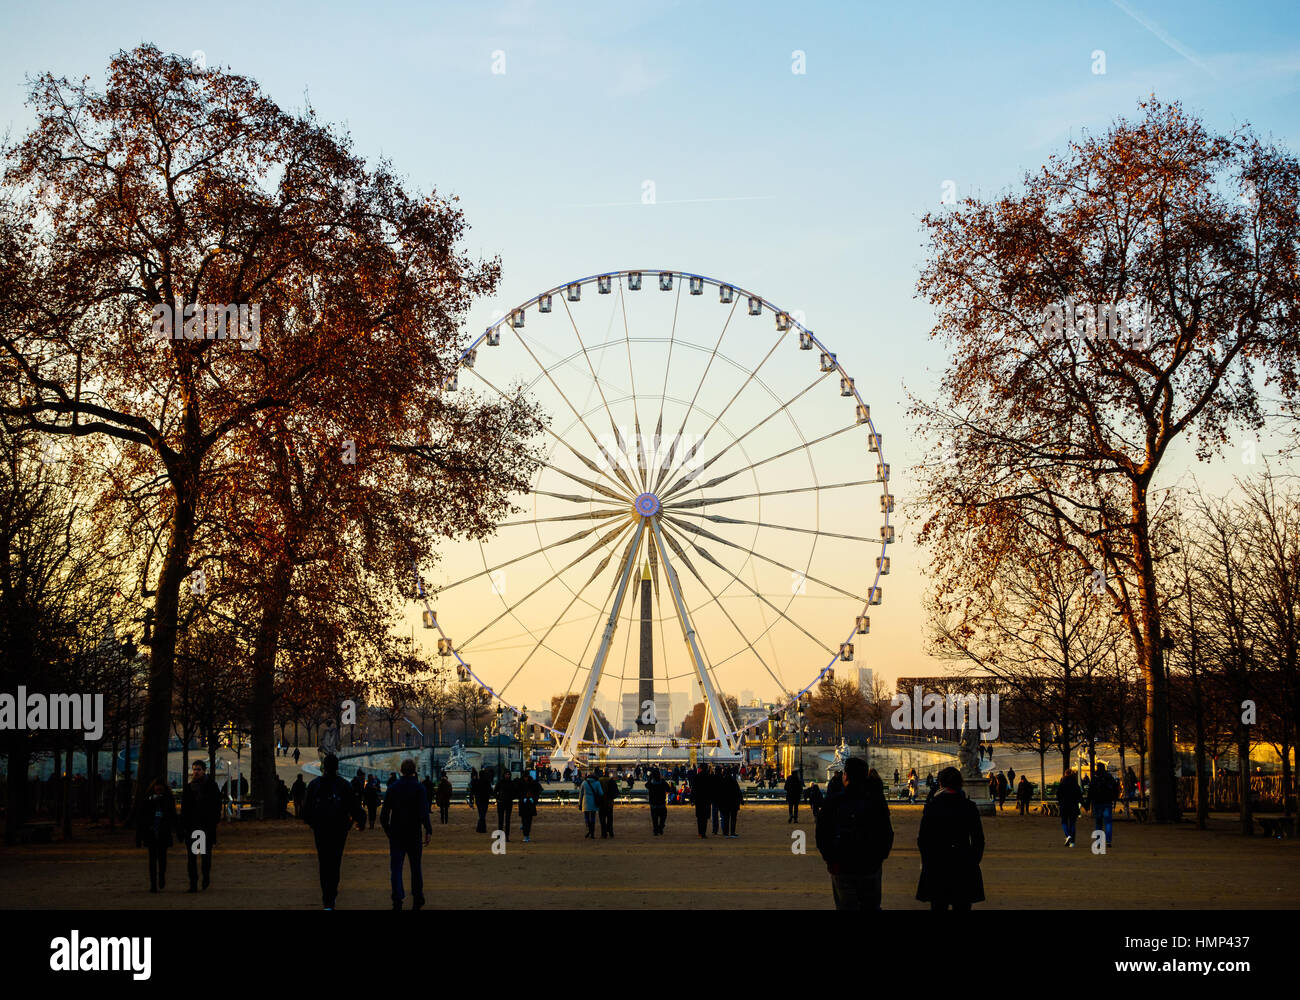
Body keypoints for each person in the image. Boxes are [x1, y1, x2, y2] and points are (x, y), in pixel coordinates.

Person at [815, 758, 893, 909]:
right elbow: (887, 834)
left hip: (841, 865)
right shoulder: (875, 802)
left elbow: (822, 835)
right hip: (870, 864)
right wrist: (879, 859)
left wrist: (830, 859)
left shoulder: (833, 802)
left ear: (845, 776)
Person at [916, 766, 985, 910]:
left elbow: (923, 839)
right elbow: (978, 840)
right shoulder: (969, 806)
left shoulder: (932, 806)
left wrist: (928, 860)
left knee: (938, 905)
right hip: (963, 864)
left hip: (937, 865)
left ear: (941, 784)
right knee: (962, 905)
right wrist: (973, 860)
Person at [303, 752, 366, 910]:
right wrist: (360, 821)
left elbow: (306, 811)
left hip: (321, 828)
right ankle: (331, 895)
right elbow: (354, 806)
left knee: (323, 862)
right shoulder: (344, 785)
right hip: (339, 828)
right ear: (337, 767)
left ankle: (327, 897)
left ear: (324, 767)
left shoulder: (315, 785)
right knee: (335, 862)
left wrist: (313, 823)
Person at [381, 758, 432, 910]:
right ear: (414, 771)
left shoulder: (393, 788)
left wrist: (389, 831)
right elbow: (424, 813)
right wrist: (428, 830)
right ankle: (417, 896)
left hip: (397, 832)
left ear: (401, 771)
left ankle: (397, 897)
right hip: (413, 832)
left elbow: (384, 815)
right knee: (416, 867)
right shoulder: (419, 788)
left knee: (396, 868)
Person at [179, 760, 222, 893]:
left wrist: (213, 821)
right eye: (194, 769)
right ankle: (193, 883)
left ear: (204, 770)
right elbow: (184, 808)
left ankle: (205, 877)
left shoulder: (211, 786)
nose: (196, 772)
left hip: (205, 827)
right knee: (192, 857)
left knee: (205, 856)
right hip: (192, 826)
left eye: (198, 769)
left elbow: (217, 805)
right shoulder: (189, 787)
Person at [135, 776, 179, 892]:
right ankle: (153, 883)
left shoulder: (168, 799)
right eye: (156, 786)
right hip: (151, 832)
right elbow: (142, 819)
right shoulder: (148, 800)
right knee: (152, 860)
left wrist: (178, 830)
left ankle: (161, 877)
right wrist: (139, 836)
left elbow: (173, 816)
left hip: (163, 832)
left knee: (162, 858)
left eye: (160, 787)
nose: (158, 788)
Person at [1087, 762, 1118, 848]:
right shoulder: (1109, 777)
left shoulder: (1094, 778)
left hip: (1097, 802)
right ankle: (1108, 841)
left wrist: (1088, 803)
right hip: (1107, 802)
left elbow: (1090, 791)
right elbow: (1115, 788)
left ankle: (1099, 841)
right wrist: (1114, 797)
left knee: (1098, 823)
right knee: (1108, 822)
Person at [1057, 767, 1082, 846]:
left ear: (1065, 774)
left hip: (1064, 805)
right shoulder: (1075, 783)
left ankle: (1068, 835)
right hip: (1073, 806)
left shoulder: (1062, 783)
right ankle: (1072, 842)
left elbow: (1058, 795)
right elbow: (1079, 795)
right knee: (1072, 824)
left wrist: (1060, 802)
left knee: (1064, 822)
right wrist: (1085, 804)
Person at [578, 769, 603, 839]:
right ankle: (592, 833)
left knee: (586, 817)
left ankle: (589, 829)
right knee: (593, 817)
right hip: (594, 801)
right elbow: (601, 793)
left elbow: (581, 794)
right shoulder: (597, 783)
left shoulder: (584, 783)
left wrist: (580, 803)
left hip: (585, 801)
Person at [518, 771, 541, 842]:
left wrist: (533, 798)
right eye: (525, 777)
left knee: (528, 821)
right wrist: (523, 798)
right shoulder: (521, 783)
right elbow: (518, 792)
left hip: (529, 804)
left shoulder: (533, 783)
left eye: (526, 777)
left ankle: (527, 835)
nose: (526, 778)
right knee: (525, 821)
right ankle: (526, 835)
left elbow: (538, 791)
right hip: (524, 804)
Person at [645, 767, 669, 835]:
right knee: (663, 817)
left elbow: (646, 785)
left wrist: (650, 779)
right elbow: (668, 789)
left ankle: (655, 830)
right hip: (661, 803)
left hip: (653, 804)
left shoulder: (651, 783)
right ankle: (660, 827)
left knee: (654, 819)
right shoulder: (663, 782)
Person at [720, 767, 742, 838]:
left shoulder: (723, 781)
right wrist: (741, 800)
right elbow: (738, 791)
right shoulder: (733, 780)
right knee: (733, 818)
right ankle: (732, 832)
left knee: (726, 818)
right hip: (733, 802)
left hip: (725, 802)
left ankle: (726, 833)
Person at [692, 764, 713, 838]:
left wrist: (692, 799)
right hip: (707, 799)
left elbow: (693, 789)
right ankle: (703, 832)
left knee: (700, 817)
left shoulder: (697, 776)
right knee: (705, 818)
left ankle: (700, 832)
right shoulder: (709, 777)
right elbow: (712, 789)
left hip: (699, 799)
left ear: (700, 768)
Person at [495, 770, 516, 840]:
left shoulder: (511, 783)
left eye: (508, 774)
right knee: (500, 820)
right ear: (504, 775)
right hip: (501, 802)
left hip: (509, 803)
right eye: (506, 774)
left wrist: (511, 798)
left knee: (507, 820)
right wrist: (497, 798)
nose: (507, 776)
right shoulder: (500, 782)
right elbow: (495, 791)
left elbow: (515, 792)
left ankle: (506, 836)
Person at [471, 767, 493, 833]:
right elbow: (491, 791)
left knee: (481, 814)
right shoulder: (487, 782)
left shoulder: (476, 782)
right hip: (485, 799)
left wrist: (471, 799)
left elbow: (472, 791)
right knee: (483, 814)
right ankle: (481, 828)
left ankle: (481, 829)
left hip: (478, 800)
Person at [599, 769, 619, 838]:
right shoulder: (611, 781)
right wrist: (612, 798)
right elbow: (616, 792)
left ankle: (603, 833)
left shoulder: (599, 781)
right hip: (609, 802)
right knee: (610, 818)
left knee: (602, 819)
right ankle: (610, 832)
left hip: (601, 802)